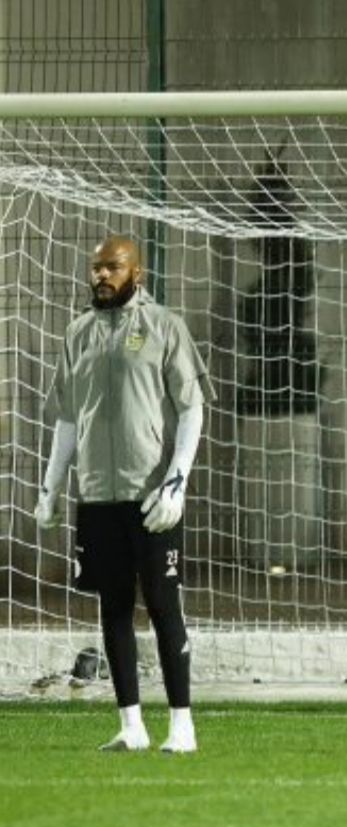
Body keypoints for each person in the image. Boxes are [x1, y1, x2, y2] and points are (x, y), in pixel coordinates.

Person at [35, 235, 212, 751]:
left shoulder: (164, 327)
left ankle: (182, 727)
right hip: (97, 496)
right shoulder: (78, 333)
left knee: (162, 604)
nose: (101, 276)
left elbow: (192, 408)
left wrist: (176, 481)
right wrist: (51, 486)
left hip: (152, 495)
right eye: (96, 268)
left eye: (112, 267)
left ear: (137, 273)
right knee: (112, 607)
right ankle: (131, 726)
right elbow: (69, 417)